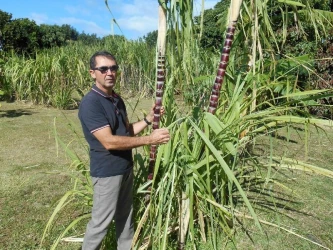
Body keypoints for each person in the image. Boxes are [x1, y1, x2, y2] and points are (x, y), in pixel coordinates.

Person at [78, 50, 170, 250]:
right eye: (103, 69)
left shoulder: (116, 99)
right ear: (92, 73)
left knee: (126, 217)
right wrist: (150, 140)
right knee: (100, 224)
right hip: (107, 172)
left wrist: (148, 118)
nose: (109, 72)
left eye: (113, 68)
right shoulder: (91, 104)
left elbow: (126, 132)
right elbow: (109, 142)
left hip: (125, 168)